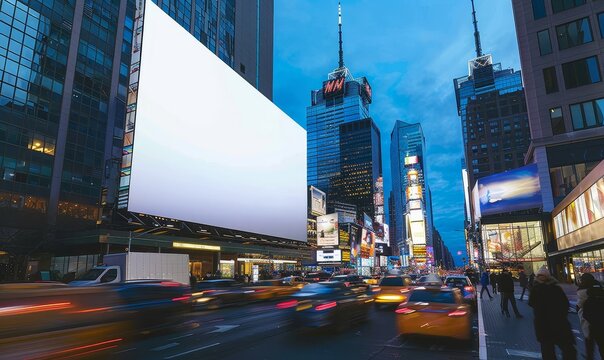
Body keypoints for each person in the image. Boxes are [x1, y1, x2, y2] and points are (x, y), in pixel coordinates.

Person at [529, 266, 576, 360]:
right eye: (540, 275)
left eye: (542, 275)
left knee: (551, 350)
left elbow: (531, 303)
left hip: (547, 324)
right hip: (555, 323)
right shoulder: (554, 288)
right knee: (564, 349)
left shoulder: (537, 289)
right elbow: (565, 304)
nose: (541, 277)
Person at [577, 273, 604, 360]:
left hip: (589, 321)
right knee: (601, 342)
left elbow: (580, 305)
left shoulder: (583, 291)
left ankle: (589, 357)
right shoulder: (599, 287)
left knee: (589, 341)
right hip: (600, 318)